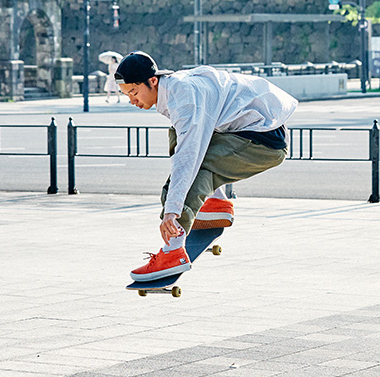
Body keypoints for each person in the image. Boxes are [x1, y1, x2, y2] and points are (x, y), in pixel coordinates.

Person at [115, 51, 297, 282]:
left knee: (195, 173)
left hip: (263, 142)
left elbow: (188, 160)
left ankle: (173, 251)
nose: (132, 100)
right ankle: (216, 202)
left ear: (153, 81)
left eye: (134, 92)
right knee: (178, 138)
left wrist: (171, 211)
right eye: (126, 95)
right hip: (255, 129)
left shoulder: (184, 99)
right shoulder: (176, 88)